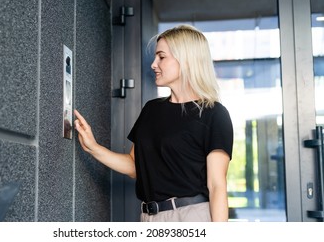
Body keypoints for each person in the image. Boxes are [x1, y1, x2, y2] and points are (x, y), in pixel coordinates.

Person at [74, 24, 233, 222]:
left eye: (162, 57)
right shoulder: (152, 109)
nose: (154, 64)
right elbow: (134, 167)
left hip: (192, 216)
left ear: (186, 60)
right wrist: (93, 147)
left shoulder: (214, 114)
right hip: (149, 217)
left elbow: (217, 185)